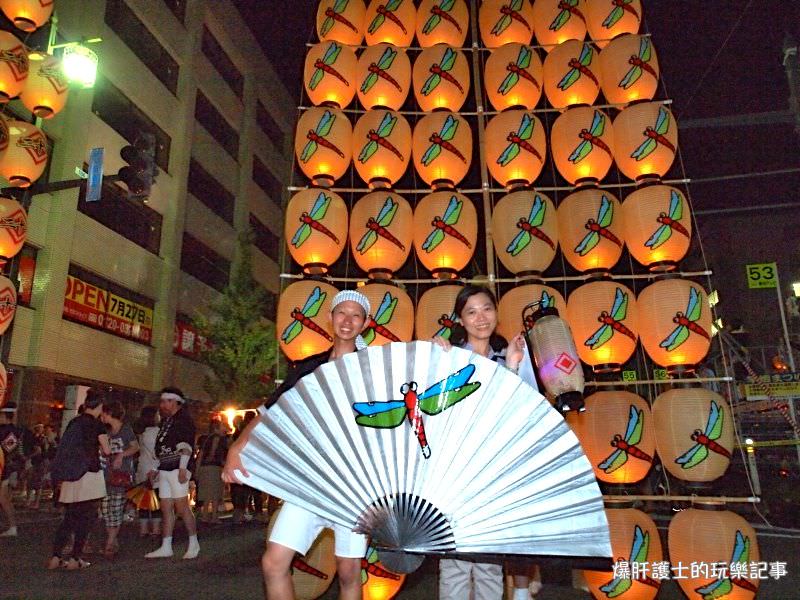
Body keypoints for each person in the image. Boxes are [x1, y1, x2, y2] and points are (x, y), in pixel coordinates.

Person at [223, 290, 372, 600]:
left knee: (348, 570)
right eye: (341, 313)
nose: (347, 320)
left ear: (365, 323)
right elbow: (269, 413)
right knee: (273, 562)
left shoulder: (373, 367)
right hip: (311, 481)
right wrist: (236, 449)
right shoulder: (306, 367)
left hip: (355, 485)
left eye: (355, 315)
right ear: (330, 318)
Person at [432, 285, 539, 600]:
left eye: (487, 309)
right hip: (455, 470)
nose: (481, 318)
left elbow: (523, 412)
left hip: (495, 470)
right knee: (454, 562)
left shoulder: (510, 355)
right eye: (471, 311)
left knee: (490, 564)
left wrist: (515, 367)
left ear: (496, 313)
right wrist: (435, 361)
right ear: (460, 320)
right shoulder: (449, 357)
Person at [47, 389, 110, 570]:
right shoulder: (97, 425)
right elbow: (106, 450)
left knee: (69, 518)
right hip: (89, 475)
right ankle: (75, 558)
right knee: (86, 518)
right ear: (99, 406)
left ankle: (55, 556)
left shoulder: (74, 422)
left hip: (70, 475)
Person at [145, 387, 199, 560]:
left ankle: (193, 542)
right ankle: (166, 545)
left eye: (165, 401)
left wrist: (183, 468)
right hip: (166, 466)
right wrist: (155, 468)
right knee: (166, 507)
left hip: (177, 467)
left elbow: (186, 445)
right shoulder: (166, 422)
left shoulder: (184, 420)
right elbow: (159, 448)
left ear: (175, 401)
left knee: (182, 507)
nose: (162, 404)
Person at [99, 401, 139, 557]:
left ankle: (110, 542)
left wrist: (121, 455)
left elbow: (135, 447)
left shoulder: (125, 429)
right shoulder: (106, 431)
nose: (101, 416)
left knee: (115, 507)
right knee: (107, 509)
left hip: (121, 475)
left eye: (103, 413)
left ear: (109, 413)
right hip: (107, 474)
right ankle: (113, 539)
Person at [133, 406, 161, 538]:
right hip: (154, 470)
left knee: (144, 502)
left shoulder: (141, 432)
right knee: (156, 501)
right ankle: (155, 529)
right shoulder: (156, 432)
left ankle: (143, 530)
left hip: (143, 468)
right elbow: (157, 453)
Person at [195, 418, 227, 524]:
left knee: (207, 493)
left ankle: (205, 515)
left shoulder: (206, 438)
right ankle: (213, 516)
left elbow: (201, 454)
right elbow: (214, 450)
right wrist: (212, 456)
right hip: (213, 467)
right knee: (215, 492)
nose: (225, 428)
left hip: (205, 467)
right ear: (217, 428)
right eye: (223, 426)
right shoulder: (217, 437)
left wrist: (197, 468)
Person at [0, 403, 24, 537]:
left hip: (2, 467)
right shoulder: (16, 431)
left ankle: (12, 526)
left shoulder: (3, 430)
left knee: (3, 498)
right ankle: (12, 526)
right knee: (3, 498)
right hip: (6, 467)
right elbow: (10, 449)